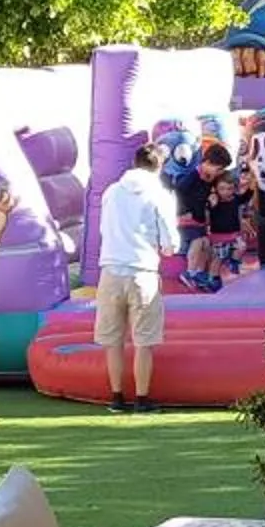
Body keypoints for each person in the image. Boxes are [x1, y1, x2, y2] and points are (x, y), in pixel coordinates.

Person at [96, 140, 179, 412]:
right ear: (159, 166)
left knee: (113, 340)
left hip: (110, 268)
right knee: (144, 340)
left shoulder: (111, 192)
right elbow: (170, 241)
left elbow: (103, 228)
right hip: (142, 269)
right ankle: (142, 397)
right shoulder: (160, 195)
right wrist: (168, 247)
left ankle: (116, 396)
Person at [175, 141, 235, 291]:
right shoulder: (191, 178)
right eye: (219, 168)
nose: (220, 172)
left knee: (207, 245)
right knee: (199, 241)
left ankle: (202, 274)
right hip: (188, 220)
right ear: (207, 163)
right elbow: (180, 193)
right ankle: (190, 272)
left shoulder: (211, 179)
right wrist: (185, 211)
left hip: (199, 220)